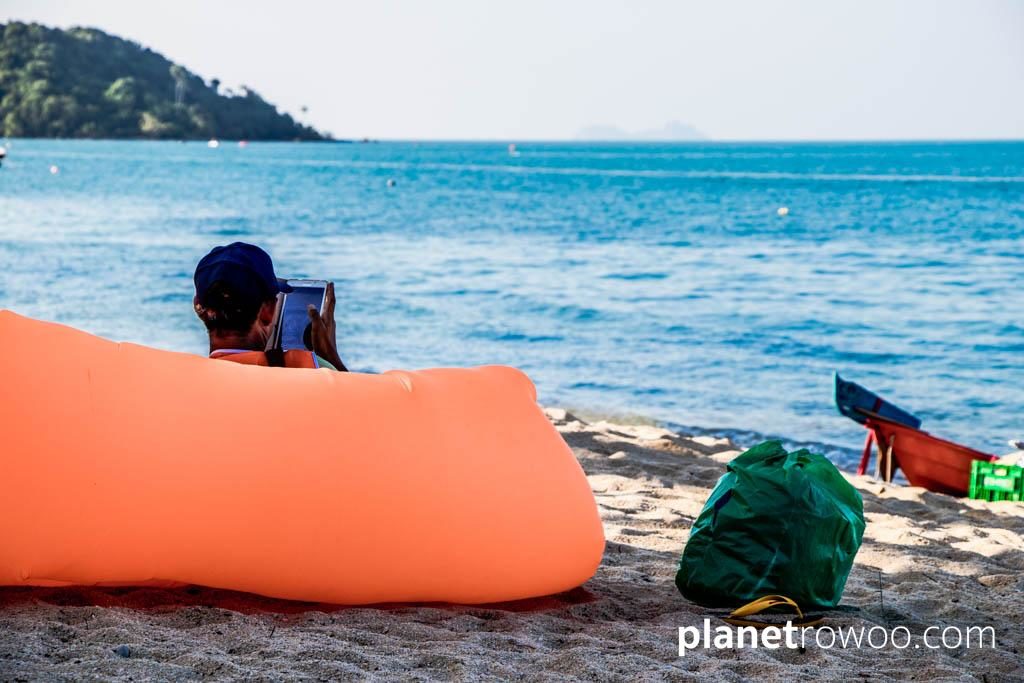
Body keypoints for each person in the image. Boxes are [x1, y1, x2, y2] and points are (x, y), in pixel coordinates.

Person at [192, 242, 347, 371]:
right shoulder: (309, 367)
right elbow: (360, 405)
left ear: (198, 307)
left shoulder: (180, 378)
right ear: (268, 311)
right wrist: (331, 360)